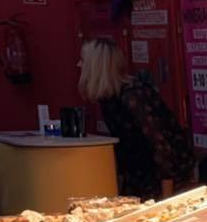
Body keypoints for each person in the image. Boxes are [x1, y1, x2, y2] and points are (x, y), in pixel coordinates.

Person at [78, 37, 194, 198]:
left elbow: (161, 146)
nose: (79, 65)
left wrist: (166, 197)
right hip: (141, 174)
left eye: (83, 60)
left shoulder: (132, 96)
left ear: (96, 67)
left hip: (164, 177)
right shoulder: (108, 97)